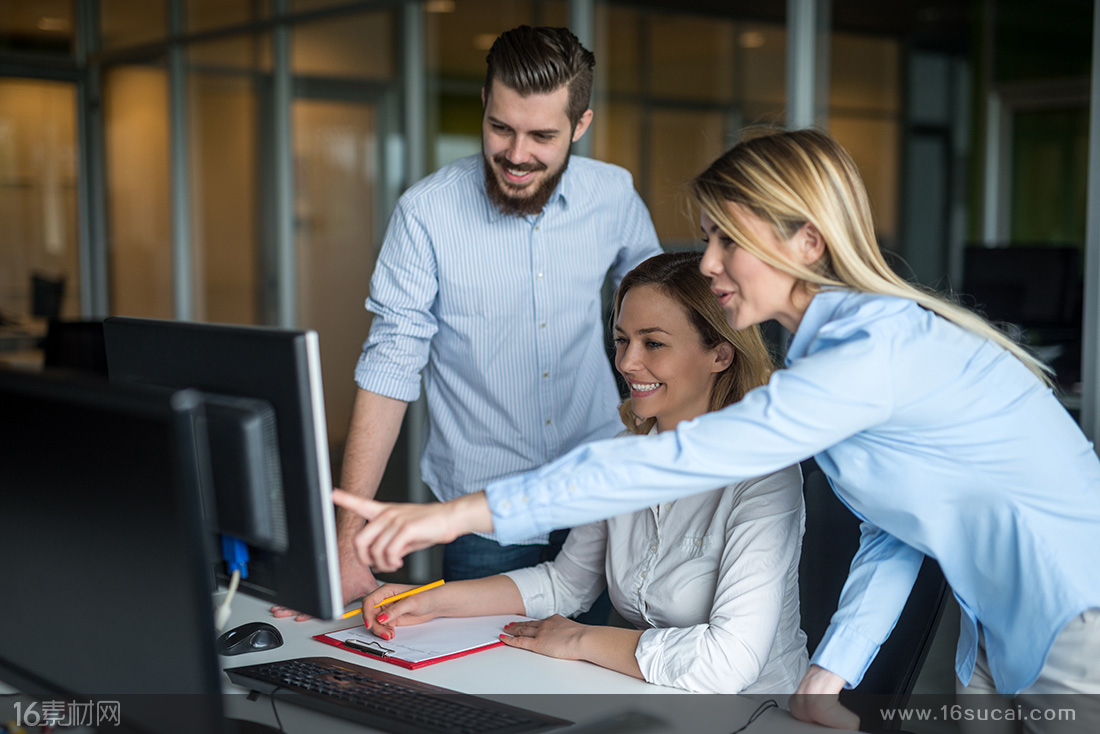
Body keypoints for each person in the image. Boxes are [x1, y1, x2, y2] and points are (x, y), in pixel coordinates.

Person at [334, 128, 1100, 731]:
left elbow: (683, 460)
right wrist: (829, 672)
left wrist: (452, 515)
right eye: (708, 239)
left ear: (806, 241)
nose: (710, 264)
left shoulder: (875, 351)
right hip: (997, 629)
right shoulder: (829, 361)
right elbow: (894, 532)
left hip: (1079, 624)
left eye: (728, 240)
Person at [275, 26, 660, 619]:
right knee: (485, 689)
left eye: (543, 135)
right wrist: (349, 533)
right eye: (501, 127)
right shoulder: (426, 213)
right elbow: (391, 364)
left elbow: (669, 318)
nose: (516, 153)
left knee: (592, 676)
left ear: (580, 126)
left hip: (598, 492)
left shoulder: (613, 195)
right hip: (483, 512)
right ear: (484, 103)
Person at [355, 251, 808, 694]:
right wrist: (429, 600)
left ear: (720, 356)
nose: (628, 363)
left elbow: (727, 663)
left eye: (653, 343)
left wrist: (578, 638)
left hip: (759, 712)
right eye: (622, 340)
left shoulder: (766, 475)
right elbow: (564, 584)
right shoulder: (624, 453)